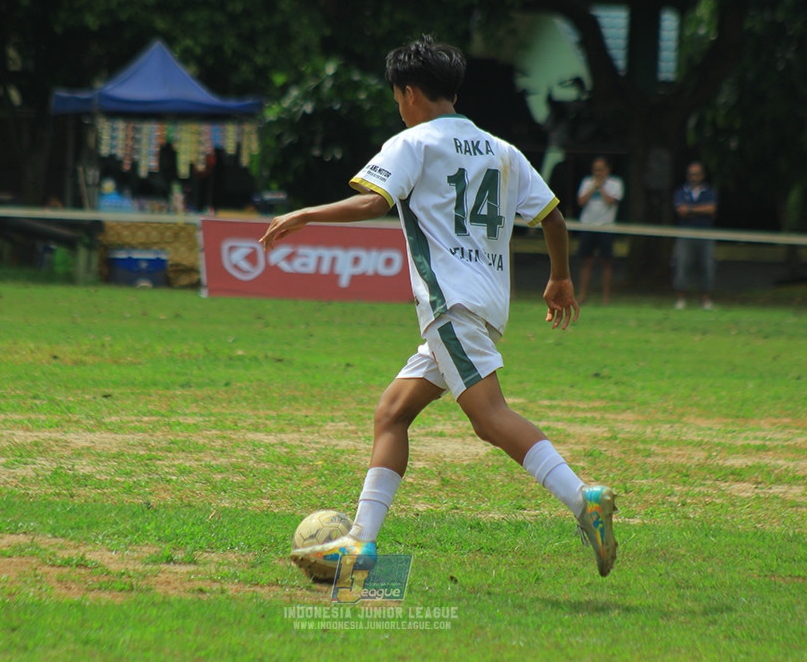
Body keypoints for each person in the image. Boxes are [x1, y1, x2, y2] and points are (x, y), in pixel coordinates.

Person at [261, 35, 618, 579]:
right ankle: (361, 543)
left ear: (409, 92)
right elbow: (553, 217)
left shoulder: (413, 143)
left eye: (396, 99)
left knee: (489, 417)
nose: (398, 109)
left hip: (449, 304)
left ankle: (581, 498)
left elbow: (373, 202)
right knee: (392, 413)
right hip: (482, 305)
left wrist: (305, 214)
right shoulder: (502, 150)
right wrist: (561, 277)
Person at [576, 156, 624, 304]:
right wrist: (593, 187)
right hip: (588, 226)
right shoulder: (587, 182)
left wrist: (601, 187)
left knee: (606, 263)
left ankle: (606, 297)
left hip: (606, 227)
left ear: (607, 170)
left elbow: (611, 201)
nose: (598, 172)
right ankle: (582, 295)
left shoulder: (615, 183)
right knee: (586, 262)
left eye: (601, 170)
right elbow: (581, 201)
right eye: (595, 170)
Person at [672, 161, 718, 310]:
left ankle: (705, 301)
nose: (694, 177)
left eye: (697, 174)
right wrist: (700, 210)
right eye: (691, 174)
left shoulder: (709, 192)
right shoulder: (680, 191)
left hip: (705, 233)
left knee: (707, 265)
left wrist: (690, 209)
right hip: (685, 233)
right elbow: (681, 210)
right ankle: (680, 300)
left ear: (702, 175)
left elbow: (711, 209)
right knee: (682, 264)